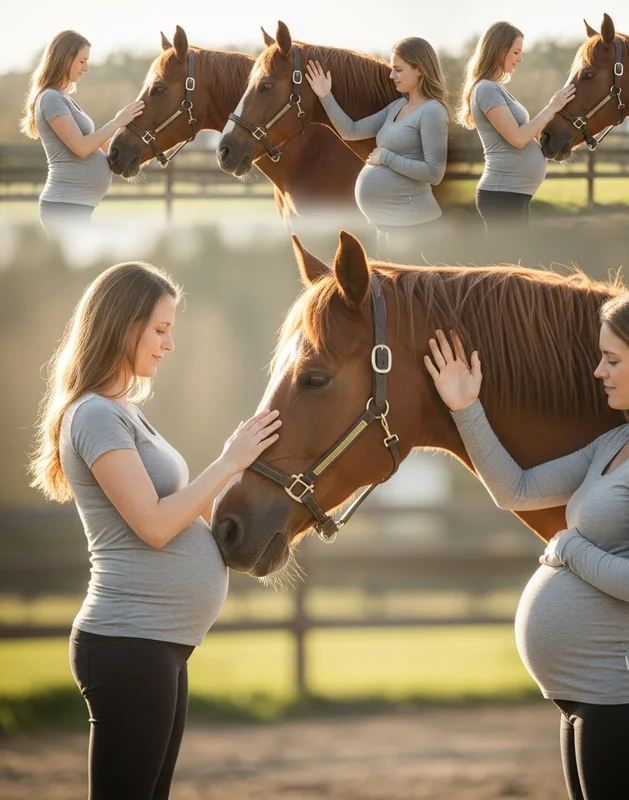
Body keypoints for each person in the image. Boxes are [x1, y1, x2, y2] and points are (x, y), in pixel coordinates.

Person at [424, 289, 629, 799]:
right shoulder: (619, 442)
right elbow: (516, 490)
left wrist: (568, 548)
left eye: (612, 359)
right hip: (593, 693)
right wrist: (465, 407)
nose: (599, 371)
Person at [29, 261, 281, 799]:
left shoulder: (125, 412)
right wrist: (228, 462)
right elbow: (155, 525)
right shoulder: (95, 416)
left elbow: (181, 509)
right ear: (124, 325)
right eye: (161, 330)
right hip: (128, 642)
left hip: (156, 643)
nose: (169, 345)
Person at [306, 37, 449, 255]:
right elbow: (350, 131)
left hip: (414, 228)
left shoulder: (432, 111)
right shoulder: (398, 106)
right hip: (388, 227)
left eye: (398, 70)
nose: (392, 75)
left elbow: (434, 173)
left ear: (419, 69)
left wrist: (386, 157)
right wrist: (325, 95)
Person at [20, 30, 144, 233]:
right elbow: (81, 147)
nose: (86, 68)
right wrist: (116, 121)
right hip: (63, 205)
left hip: (74, 205)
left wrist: (134, 142)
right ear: (65, 58)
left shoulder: (64, 98)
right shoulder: (51, 99)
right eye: (82, 61)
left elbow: (98, 144)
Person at [458, 21, 575, 235]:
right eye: (516, 52)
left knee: (514, 263)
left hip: (512, 194)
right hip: (501, 195)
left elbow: (529, 135)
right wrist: (552, 106)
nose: (520, 59)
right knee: (507, 263)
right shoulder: (486, 90)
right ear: (499, 50)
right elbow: (518, 139)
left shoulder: (497, 89)